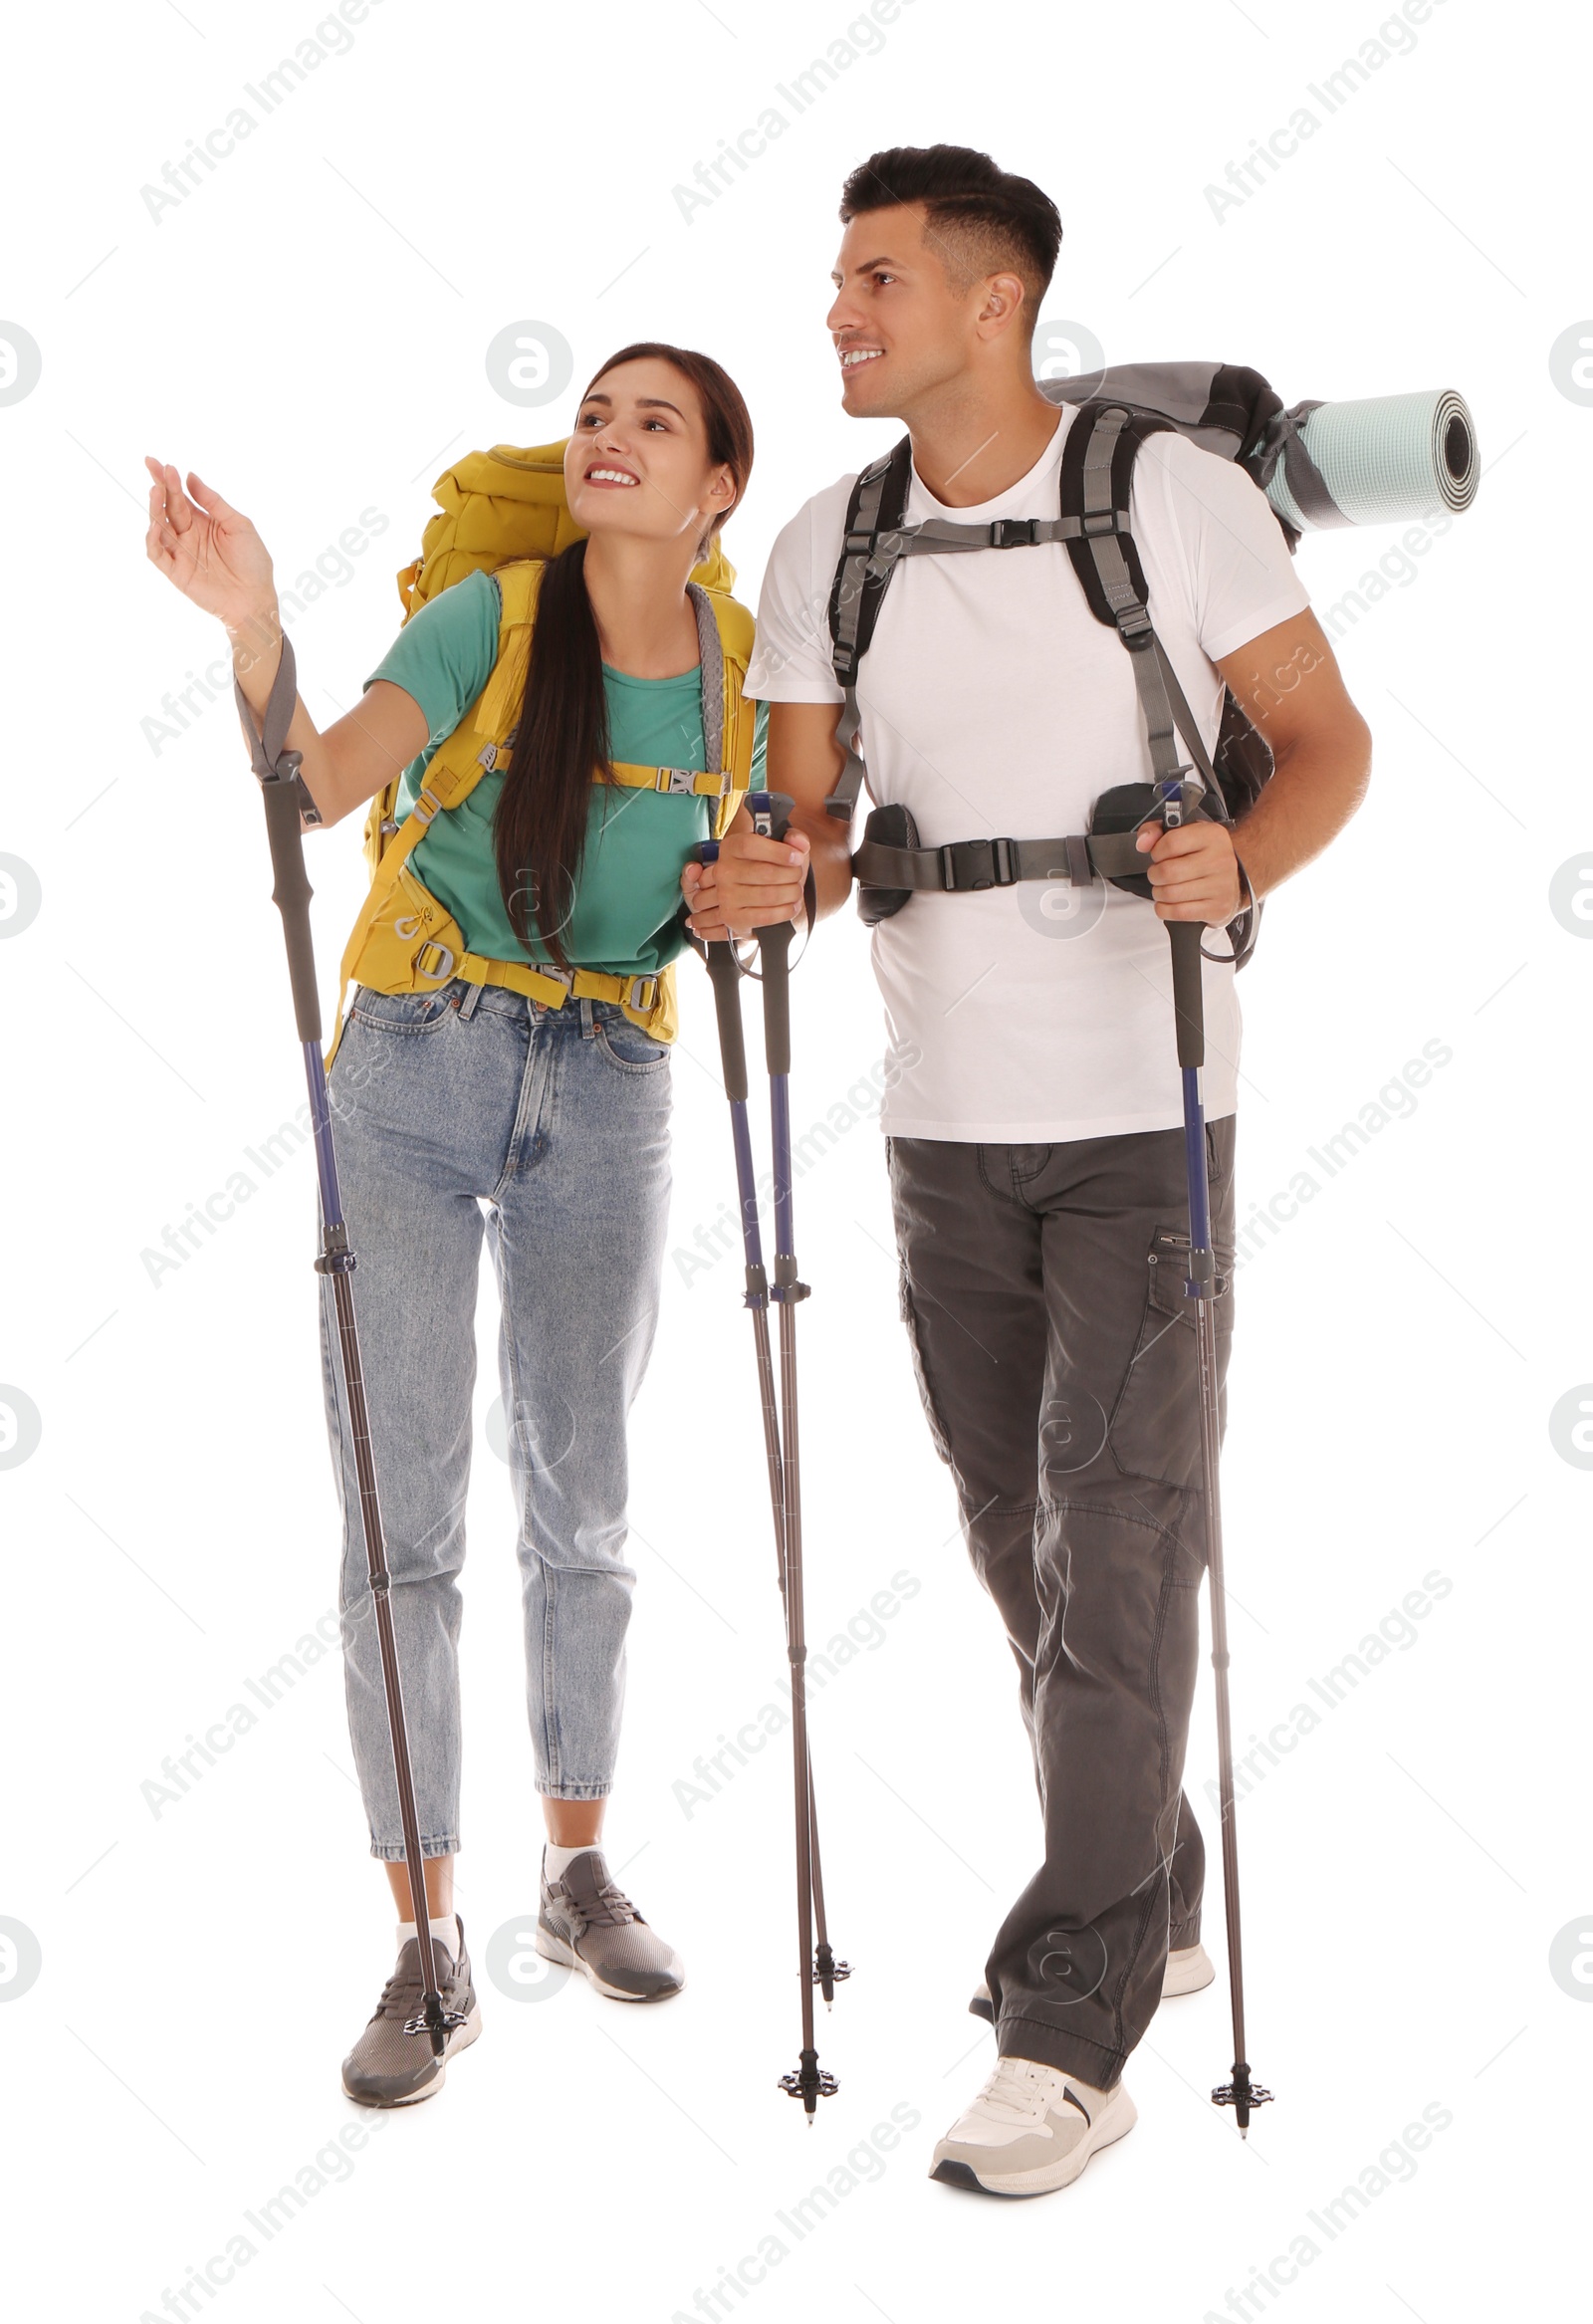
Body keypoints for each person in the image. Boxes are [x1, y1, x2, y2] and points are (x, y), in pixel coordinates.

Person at [685, 146, 1371, 2196]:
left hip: (1139, 1114)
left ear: (997, 302)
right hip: (935, 1131)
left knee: (1123, 1526)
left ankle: (1063, 2026)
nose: (839, 314)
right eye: (833, 282)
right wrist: (763, 875)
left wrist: (1237, 858)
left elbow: (1324, 742)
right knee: (1030, 1539)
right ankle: (1149, 1884)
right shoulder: (828, 541)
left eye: (876, 281)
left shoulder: (1169, 497)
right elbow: (808, 825)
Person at [145, 344, 802, 2107]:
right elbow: (320, 781)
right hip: (419, 1065)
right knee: (401, 1513)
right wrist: (255, 621)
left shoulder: (748, 674)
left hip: (612, 1073)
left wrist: (783, 878)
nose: (610, 437)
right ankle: (426, 1943)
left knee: (581, 1493)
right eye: (596, 412)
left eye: (655, 422)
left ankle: (575, 1871)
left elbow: (799, 854)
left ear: (718, 488)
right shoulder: (490, 621)